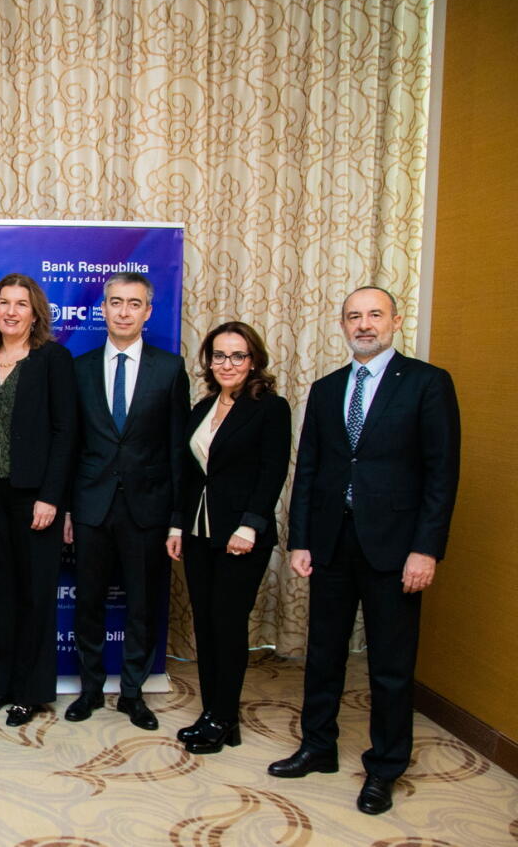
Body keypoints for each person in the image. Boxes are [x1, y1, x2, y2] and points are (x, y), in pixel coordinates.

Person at [268, 287, 460, 816]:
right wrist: (301, 539)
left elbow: (442, 474)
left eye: (375, 314)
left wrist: (426, 550)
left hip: (396, 547)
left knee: (390, 666)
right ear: (342, 325)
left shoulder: (427, 383)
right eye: (354, 316)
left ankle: (385, 766)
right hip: (332, 541)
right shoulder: (328, 388)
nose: (364, 324)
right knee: (323, 654)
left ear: (395, 321)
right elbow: (309, 469)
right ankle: (318, 746)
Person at [65, 271, 188, 731]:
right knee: (88, 604)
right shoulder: (79, 368)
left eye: (133, 303)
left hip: (148, 509)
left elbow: (177, 449)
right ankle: (91, 689)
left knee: (142, 606)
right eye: (115, 302)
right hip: (91, 506)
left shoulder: (169, 369)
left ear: (147, 312)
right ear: (103, 309)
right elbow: (70, 446)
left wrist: (176, 518)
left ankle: (133, 693)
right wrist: (68, 508)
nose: (123, 311)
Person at [0, 273, 76, 727]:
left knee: (34, 595)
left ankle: (30, 691)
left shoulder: (53, 359)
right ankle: (0, 685)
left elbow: (66, 433)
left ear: (35, 313)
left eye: (21, 304)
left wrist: (52, 498)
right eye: (4, 303)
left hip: (33, 498)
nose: (11, 311)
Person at [165, 321, 291, 753]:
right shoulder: (202, 407)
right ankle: (214, 715)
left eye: (238, 355)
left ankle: (222, 717)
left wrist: (249, 525)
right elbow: (188, 475)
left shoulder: (270, 408)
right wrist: (177, 525)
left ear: (253, 360)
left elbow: (272, 471)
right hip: (199, 533)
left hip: (241, 537)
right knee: (205, 624)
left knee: (228, 625)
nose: (228, 364)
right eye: (219, 355)